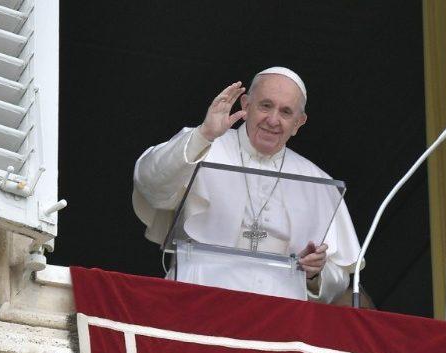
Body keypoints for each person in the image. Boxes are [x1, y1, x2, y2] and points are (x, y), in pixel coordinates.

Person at [132, 67, 360, 303]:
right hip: (198, 295)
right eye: (265, 105)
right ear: (246, 104)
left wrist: (315, 273)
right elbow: (151, 186)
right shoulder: (202, 144)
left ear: (298, 123)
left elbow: (339, 275)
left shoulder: (318, 182)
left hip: (280, 312)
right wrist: (205, 134)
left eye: (286, 112)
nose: (273, 120)